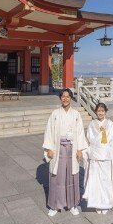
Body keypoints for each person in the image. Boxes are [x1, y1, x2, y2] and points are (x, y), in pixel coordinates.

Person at [43, 88, 88, 217]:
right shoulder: (55, 114)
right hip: (58, 148)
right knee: (57, 176)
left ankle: (73, 204)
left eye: (68, 96)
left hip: (72, 148)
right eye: (63, 96)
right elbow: (49, 132)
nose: (65, 99)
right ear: (60, 98)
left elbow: (80, 133)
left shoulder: (76, 115)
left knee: (71, 176)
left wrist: (80, 149)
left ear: (71, 98)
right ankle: (54, 205)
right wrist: (49, 148)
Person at [83, 102, 113, 214]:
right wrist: (85, 153)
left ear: (105, 112)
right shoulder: (92, 124)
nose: (100, 113)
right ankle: (97, 204)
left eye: (102, 111)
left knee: (106, 181)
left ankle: (106, 203)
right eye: (98, 111)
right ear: (95, 112)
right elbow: (88, 140)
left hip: (107, 156)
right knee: (95, 181)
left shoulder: (110, 124)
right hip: (95, 156)